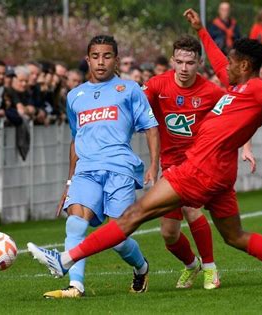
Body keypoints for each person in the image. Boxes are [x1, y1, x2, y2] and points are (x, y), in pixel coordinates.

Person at [27, 9, 262, 296]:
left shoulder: (258, 89)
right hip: (219, 173)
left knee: (133, 215)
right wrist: (201, 30)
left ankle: (65, 260)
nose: (223, 67)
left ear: (244, 64)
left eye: (230, 62)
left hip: (199, 171)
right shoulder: (238, 86)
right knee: (236, 237)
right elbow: (217, 61)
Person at [38, 35, 160, 299]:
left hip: (120, 168)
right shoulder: (74, 96)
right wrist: (69, 182)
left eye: (107, 56)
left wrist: (154, 166)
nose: (101, 62)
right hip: (86, 171)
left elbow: (151, 127)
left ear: (116, 60)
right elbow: (76, 139)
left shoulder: (129, 90)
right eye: (95, 56)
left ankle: (141, 267)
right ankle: (75, 287)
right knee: (75, 223)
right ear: (87, 60)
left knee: (116, 237)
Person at [143, 34, 255, 290]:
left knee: (191, 209)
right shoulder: (157, 86)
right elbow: (135, 106)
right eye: (179, 62)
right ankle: (192, 265)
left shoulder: (211, 92)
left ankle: (210, 268)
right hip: (169, 165)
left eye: (190, 63)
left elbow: (238, 117)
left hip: (198, 164)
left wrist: (246, 147)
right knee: (169, 234)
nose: (184, 68)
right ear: (172, 60)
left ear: (199, 63)